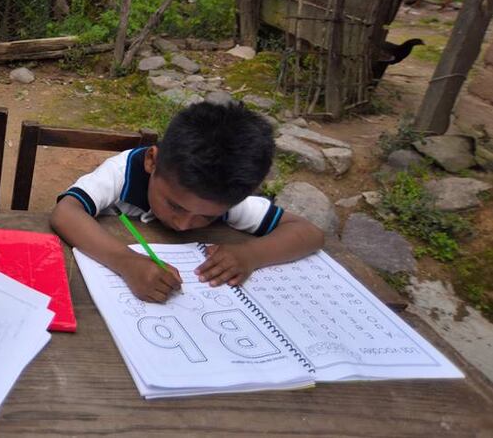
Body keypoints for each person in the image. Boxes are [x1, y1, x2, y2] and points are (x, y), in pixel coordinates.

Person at [50, 101, 324, 303]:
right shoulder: (122, 173)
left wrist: (251, 255)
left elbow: (309, 233)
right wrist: (126, 262)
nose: (183, 225)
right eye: (175, 206)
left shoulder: (220, 194)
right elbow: (66, 212)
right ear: (152, 161)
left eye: (205, 218)